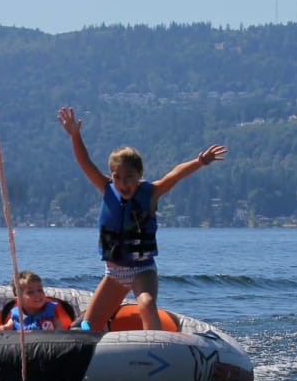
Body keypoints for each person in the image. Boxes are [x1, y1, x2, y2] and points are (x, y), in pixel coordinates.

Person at [58, 106, 226, 331]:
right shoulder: (107, 188)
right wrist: (75, 135)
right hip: (114, 273)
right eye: (117, 177)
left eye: (129, 177)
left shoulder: (151, 192)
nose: (123, 183)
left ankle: (155, 349)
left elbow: (175, 174)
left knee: (146, 303)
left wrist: (200, 162)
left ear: (140, 175)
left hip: (142, 270)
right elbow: (85, 163)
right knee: (89, 325)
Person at [0, 270, 73, 331]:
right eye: (30, 292)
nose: (37, 294)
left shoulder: (50, 312)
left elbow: (59, 329)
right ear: (19, 300)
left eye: (39, 290)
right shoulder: (16, 315)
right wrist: (2, 328)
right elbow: (8, 327)